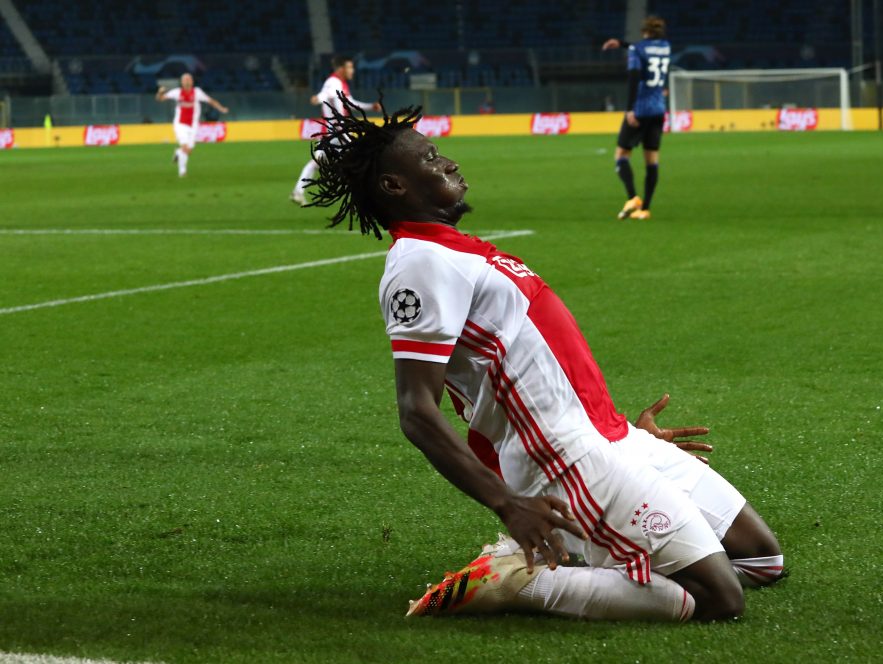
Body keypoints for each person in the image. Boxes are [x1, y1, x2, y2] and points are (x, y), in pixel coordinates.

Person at [306, 97, 784, 622]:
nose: (449, 163)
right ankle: (521, 580)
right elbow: (416, 409)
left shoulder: (456, 248)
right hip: (564, 457)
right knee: (720, 598)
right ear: (395, 186)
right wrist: (506, 503)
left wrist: (622, 428)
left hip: (611, 435)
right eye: (430, 159)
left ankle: (607, 551)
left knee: (762, 559)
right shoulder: (420, 263)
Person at [602, 16, 672, 221]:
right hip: (659, 109)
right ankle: (645, 209)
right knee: (651, 160)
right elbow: (644, 51)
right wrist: (623, 44)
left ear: (645, 32)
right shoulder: (665, 47)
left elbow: (633, 77)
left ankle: (633, 197)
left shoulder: (637, 50)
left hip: (640, 109)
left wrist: (630, 109)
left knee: (621, 155)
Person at [290, 55, 381, 205]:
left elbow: (350, 102)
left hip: (335, 132)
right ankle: (372, 196)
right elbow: (327, 94)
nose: (352, 70)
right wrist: (318, 98)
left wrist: (370, 106)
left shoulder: (341, 83)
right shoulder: (333, 82)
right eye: (350, 67)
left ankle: (298, 192)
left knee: (318, 162)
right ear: (341, 69)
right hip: (337, 132)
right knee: (362, 159)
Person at [156, 73, 229, 178]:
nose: (187, 81)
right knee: (185, 148)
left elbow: (210, 101)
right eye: (184, 79)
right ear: (181, 82)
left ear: (192, 81)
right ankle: (182, 171)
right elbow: (160, 99)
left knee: (188, 151)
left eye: (189, 79)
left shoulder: (197, 92)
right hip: (180, 124)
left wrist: (221, 108)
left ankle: (178, 152)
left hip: (193, 125)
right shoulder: (177, 92)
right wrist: (160, 92)